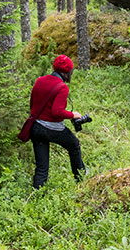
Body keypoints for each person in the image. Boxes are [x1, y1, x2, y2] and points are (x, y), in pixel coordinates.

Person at [28, 54, 86, 188]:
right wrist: (73, 115)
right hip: (52, 129)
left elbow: (32, 105)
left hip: (35, 127)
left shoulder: (40, 80)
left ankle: (36, 194)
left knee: (42, 168)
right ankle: (81, 178)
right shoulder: (62, 87)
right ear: (68, 72)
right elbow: (57, 112)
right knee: (74, 145)